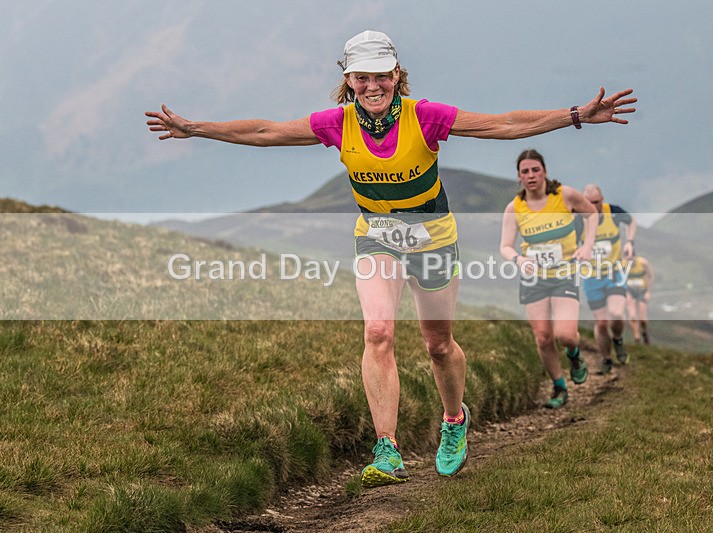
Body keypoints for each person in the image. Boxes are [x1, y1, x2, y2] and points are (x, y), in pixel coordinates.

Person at [146, 30, 636, 488]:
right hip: (376, 238)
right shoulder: (335, 124)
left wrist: (574, 115)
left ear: (397, 75)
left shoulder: (423, 116)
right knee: (378, 331)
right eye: (363, 76)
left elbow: (502, 125)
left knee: (438, 345)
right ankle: (387, 449)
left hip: (434, 240)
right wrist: (197, 128)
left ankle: (453, 420)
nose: (373, 84)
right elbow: (266, 131)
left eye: (382, 75)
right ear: (349, 80)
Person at [500, 149, 598, 409]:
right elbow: (506, 246)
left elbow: (591, 214)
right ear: (519, 176)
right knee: (543, 336)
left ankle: (574, 355)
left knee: (565, 334)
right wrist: (519, 260)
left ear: (544, 171)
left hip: (564, 273)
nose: (531, 175)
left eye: (535, 170)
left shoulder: (564, 195)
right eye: (525, 171)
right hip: (534, 278)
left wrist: (587, 246)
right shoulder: (515, 208)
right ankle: (559, 386)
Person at [579, 184, 637, 374]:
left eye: (596, 202)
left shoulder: (613, 212)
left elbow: (631, 221)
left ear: (602, 199)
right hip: (591, 277)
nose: (593, 206)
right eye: (588, 203)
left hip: (614, 272)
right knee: (601, 323)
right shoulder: (578, 220)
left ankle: (618, 339)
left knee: (617, 313)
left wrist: (629, 242)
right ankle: (606, 359)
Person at [623, 254, 654, 344]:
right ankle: (636, 337)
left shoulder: (643, 263)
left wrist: (648, 291)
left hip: (642, 291)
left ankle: (644, 332)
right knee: (632, 316)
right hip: (629, 291)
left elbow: (650, 277)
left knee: (642, 319)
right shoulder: (622, 264)